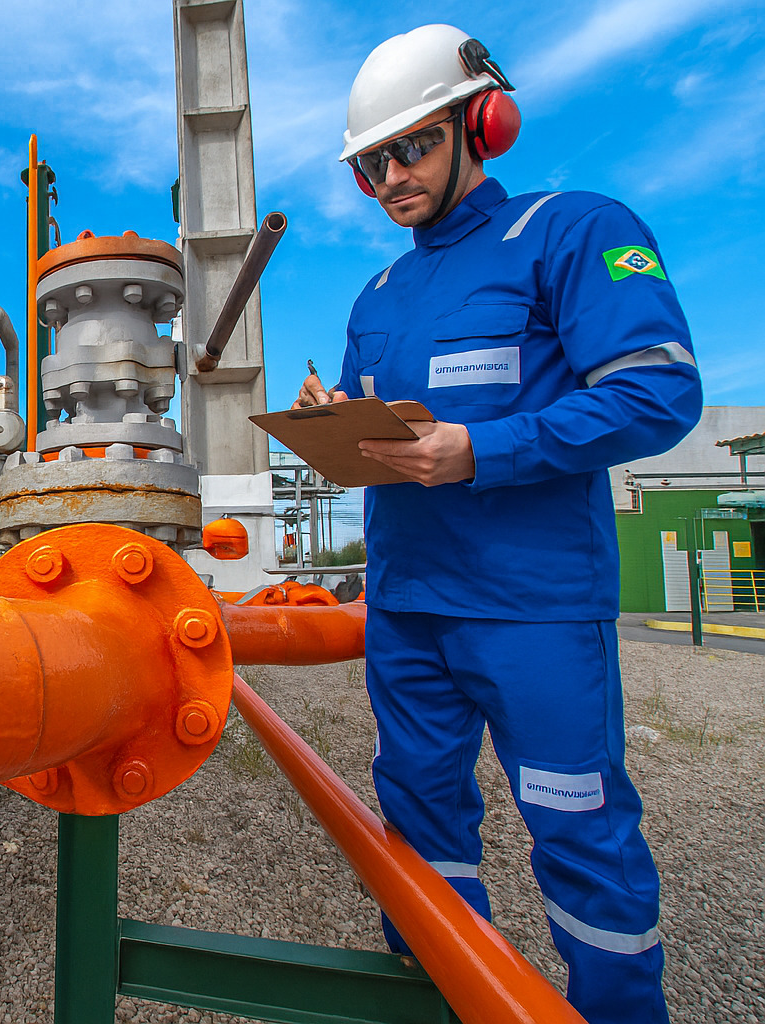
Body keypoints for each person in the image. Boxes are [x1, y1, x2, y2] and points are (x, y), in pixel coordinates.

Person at [295, 26, 700, 1024]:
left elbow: (658, 395)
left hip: (534, 609)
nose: (391, 179)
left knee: (579, 832)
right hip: (406, 608)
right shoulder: (379, 295)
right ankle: (441, 996)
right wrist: (330, 418)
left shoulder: (573, 231)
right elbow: (378, 428)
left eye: (412, 147)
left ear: (483, 123)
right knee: (421, 826)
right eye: (369, 166)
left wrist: (482, 450)